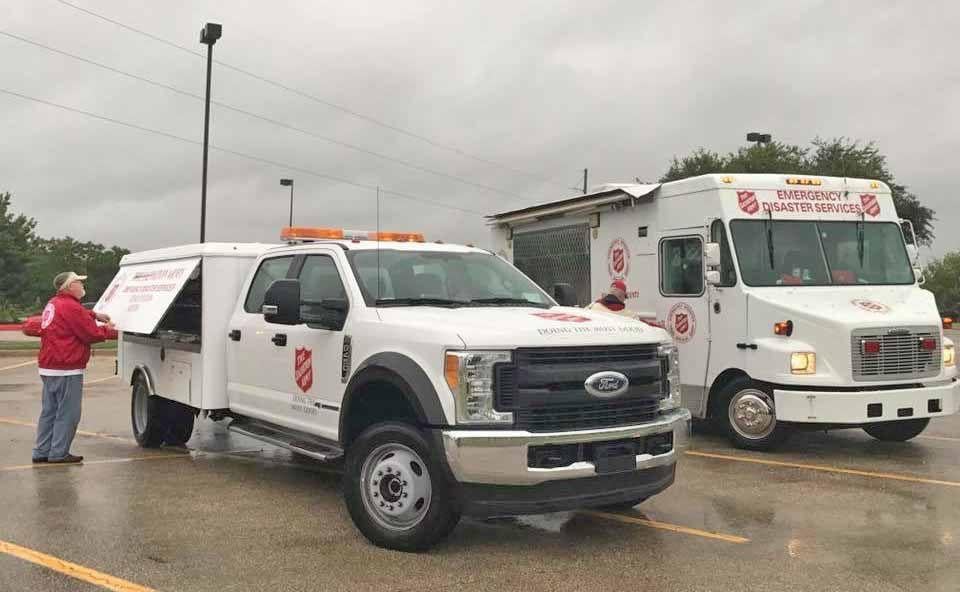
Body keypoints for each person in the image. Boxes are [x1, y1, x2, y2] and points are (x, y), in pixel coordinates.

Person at [33, 272, 117, 464]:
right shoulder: (71, 306)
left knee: (49, 411)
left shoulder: (55, 303)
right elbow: (91, 333)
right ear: (70, 286)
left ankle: (42, 451)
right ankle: (59, 453)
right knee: (68, 413)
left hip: (49, 366)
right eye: (79, 282)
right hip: (66, 367)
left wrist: (94, 314)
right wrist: (109, 329)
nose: (82, 285)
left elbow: (73, 316)